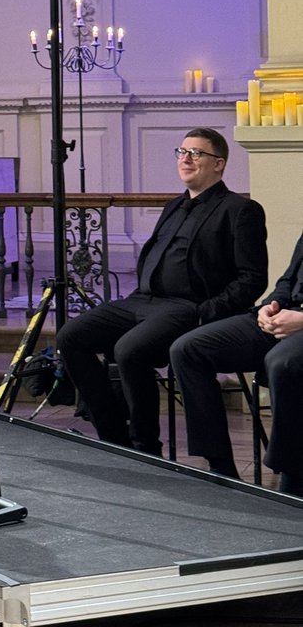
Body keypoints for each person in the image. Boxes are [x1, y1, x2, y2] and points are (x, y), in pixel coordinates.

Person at [57, 128, 267, 456]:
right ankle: (113, 437)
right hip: (143, 300)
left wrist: (206, 311)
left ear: (219, 164)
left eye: (196, 153)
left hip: (188, 306)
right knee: (70, 336)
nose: (185, 158)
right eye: (181, 151)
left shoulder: (239, 210)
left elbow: (252, 279)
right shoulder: (173, 206)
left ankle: (145, 447)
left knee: (129, 349)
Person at [170, 232, 303, 492]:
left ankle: (294, 479)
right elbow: (288, 278)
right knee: (188, 349)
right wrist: (270, 306)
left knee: (282, 363)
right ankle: (221, 469)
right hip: (287, 315)